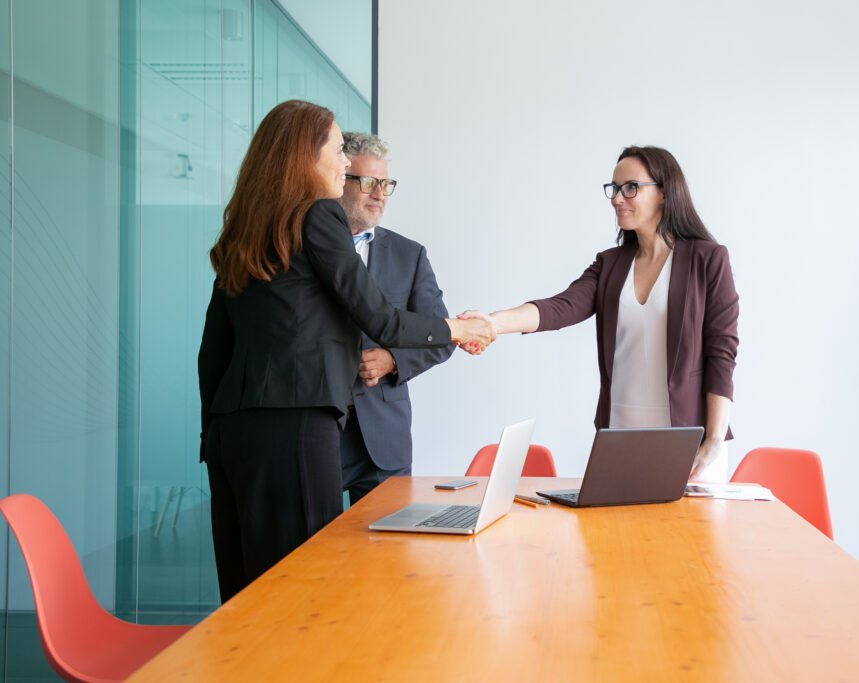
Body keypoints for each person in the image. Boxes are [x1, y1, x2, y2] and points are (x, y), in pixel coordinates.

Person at [198, 100, 492, 602]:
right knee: (306, 587)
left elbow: (214, 349)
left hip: (232, 432)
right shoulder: (318, 214)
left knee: (247, 592)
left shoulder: (248, 225)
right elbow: (380, 317)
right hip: (296, 424)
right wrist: (458, 327)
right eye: (337, 150)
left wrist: (214, 430)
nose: (342, 162)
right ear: (306, 155)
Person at [460, 146, 738, 479]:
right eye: (614, 189)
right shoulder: (611, 264)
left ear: (664, 193)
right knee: (618, 533)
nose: (617, 199)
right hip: (619, 439)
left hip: (690, 445)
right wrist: (494, 322)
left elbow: (722, 352)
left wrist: (714, 438)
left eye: (630, 188)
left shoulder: (707, 260)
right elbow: (560, 307)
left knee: (688, 533)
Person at [337, 132, 454, 505]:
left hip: (384, 439)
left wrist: (392, 361)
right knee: (318, 558)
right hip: (321, 432)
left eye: (386, 184)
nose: (380, 194)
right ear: (340, 179)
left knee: (383, 555)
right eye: (369, 183)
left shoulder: (409, 254)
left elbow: (442, 335)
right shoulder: (304, 247)